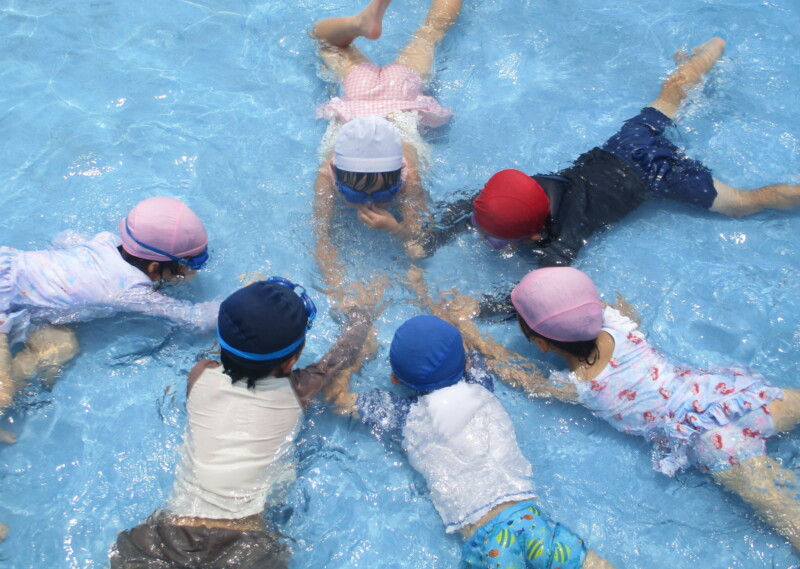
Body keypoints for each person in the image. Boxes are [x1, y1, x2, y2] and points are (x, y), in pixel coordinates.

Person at [416, 38, 800, 270]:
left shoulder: (565, 235)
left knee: (740, 204)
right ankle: (712, 50)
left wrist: (477, 309)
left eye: (496, 242)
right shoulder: (528, 191)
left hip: (657, 177)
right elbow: (471, 205)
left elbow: (538, 293)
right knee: (671, 95)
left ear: (535, 234)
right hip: (627, 146)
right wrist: (432, 238)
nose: (487, 242)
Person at [508, 266, 800, 550]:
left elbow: (523, 378)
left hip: (714, 443)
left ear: (540, 344)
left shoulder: (578, 386)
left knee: (786, 512)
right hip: (733, 397)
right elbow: (609, 306)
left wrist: (481, 342)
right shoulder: (620, 326)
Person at [110, 277, 379, 569]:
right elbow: (341, 356)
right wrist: (361, 314)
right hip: (243, 547)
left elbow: (225, 352)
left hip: (165, 537)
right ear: (291, 362)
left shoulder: (199, 374)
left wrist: (243, 318)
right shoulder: (299, 390)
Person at [325, 312, 617, 569]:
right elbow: (469, 349)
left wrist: (355, 360)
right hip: (531, 520)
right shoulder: (481, 382)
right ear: (465, 364)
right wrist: (452, 318)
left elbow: (336, 400)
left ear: (395, 380)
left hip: (489, 541)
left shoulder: (402, 412)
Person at [0, 196, 217, 424]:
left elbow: (63, 238)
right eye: (192, 265)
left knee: (63, 346)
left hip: (9, 267)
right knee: (4, 393)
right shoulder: (130, 291)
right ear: (154, 269)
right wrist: (240, 301)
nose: (196, 272)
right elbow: (195, 318)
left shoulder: (106, 241)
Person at [312, 0, 461, 294]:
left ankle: (358, 23)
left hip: (387, 91)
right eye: (354, 194)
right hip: (380, 90)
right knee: (429, 32)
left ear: (400, 173)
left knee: (324, 38)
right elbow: (321, 241)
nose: (370, 200)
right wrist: (337, 289)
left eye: (383, 193)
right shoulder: (327, 175)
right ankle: (357, 23)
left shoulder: (409, 175)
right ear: (334, 173)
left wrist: (396, 228)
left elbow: (421, 238)